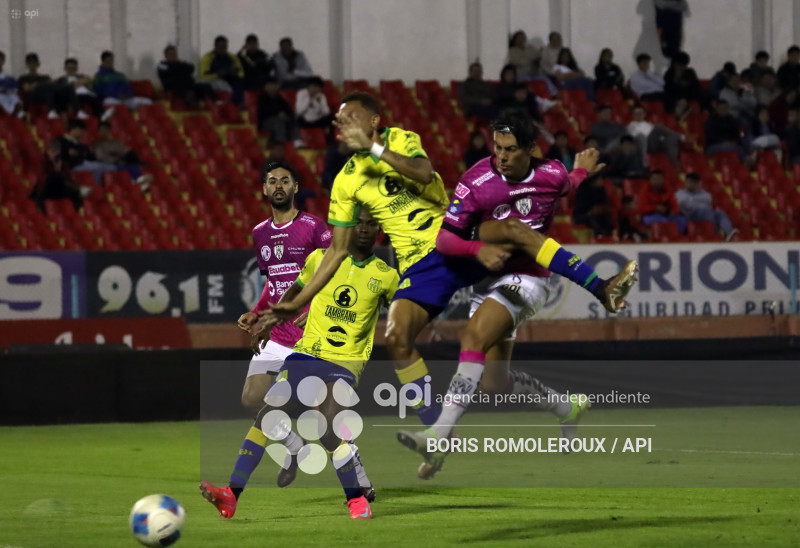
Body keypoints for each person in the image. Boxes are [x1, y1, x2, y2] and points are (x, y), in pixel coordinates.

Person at [266, 95, 639, 477]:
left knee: (512, 230)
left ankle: (601, 288)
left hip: (456, 238)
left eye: (351, 118)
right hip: (425, 266)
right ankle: (488, 423)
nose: (342, 125)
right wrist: (299, 302)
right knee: (412, 342)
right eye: (338, 120)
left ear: (375, 120)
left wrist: (375, 148)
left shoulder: (399, 140)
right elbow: (338, 249)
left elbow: (424, 173)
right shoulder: (345, 180)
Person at [395, 114, 634, 477]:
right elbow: (445, 238)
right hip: (487, 280)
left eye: (509, 150)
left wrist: (582, 172)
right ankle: (565, 407)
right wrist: (476, 251)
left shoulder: (549, 174)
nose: (501, 156)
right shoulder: (477, 179)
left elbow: (566, 184)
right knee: (494, 382)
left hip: (528, 279)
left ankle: (438, 435)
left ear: (529, 150)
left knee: (472, 335)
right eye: (497, 148)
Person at [200, 208, 396, 520]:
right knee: (266, 415)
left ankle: (355, 498)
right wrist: (271, 320)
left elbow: (406, 309)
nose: (362, 229)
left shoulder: (386, 276)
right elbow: (294, 293)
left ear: (379, 231)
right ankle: (231, 494)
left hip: (345, 361)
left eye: (370, 225)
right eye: (357, 223)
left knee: (330, 426)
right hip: (305, 353)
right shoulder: (320, 259)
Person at [233, 160, 374, 493]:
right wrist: (257, 314)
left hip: (312, 334)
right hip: (279, 331)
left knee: (323, 415)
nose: (279, 186)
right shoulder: (259, 233)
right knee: (252, 400)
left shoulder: (314, 227)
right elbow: (274, 285)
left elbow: (335, 271)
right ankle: (294, 447)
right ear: (264, 189)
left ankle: (357, 474)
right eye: (272, 181)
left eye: (285, 181)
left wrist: (319, 312)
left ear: (296, 188)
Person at [29, 138, 88, 213]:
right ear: (48, 151)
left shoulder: (61, 162)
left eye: (57, 151)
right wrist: (55, 171)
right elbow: (43, 179)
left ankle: (75, 211)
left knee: (75, 193)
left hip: (60, 188)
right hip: (45, 189)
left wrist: (60, 170)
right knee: (53, 179)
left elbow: (67, 176)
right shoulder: (43, 162)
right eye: (52, 151)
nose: (55, 154)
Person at [93, 122, 153, 189]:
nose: (104, 132)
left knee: (132, 159)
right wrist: (116, 159)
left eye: (105, 130)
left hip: (121, 162)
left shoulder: (116, 142)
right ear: (99, 132)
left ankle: (140, 182)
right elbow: (101, 158)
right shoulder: (98, 145)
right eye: (101, 130)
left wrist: (124, 157)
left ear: (109, 130)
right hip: (109, 165)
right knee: (131, 167)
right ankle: (139, 183)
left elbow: (124, 152)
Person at [675, 172, 735, 240]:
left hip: (703, 215)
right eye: (689, 181)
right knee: (705, 209)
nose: (691, 184)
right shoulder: (680, 193)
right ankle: (715, 234)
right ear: (685, 182)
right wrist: (698, 201)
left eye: (694, 182)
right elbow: (683, 203)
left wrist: (691, 200)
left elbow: (709, 199)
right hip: (689, 216)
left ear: (697, 184)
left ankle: (729, 233)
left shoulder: (702, 192)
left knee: (720, 213)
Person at [58, 119, 118, 185]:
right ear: (75, 129)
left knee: (111, 167)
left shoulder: (80, 144)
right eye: (81, 131)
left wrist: (91, 152)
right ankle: (97, 186)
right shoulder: (61, 140)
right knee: (98, 168)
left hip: (84, 163)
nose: (82, 134)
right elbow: (61, 155)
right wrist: (69, 153)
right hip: (73, 166)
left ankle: (103, 186)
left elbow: (89, 156)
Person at [198, 36, 244, 105]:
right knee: (220, 84)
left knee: (240, 83)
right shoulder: (207, 58)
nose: (223, 49)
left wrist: (234, 73)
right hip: (214, 80)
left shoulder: (232, 57)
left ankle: (238, 105)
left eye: (224, 47)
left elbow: (241, 73)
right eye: (220, 47)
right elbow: (203, 76)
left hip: (230, 79)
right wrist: (219, 74)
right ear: (215, 46)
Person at [257, 77, 303, 147]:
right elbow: (264, 111)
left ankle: (297, 141)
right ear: (265, 87)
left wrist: (290, 114)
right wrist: (278, 114)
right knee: (279, 122)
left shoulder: (279, 97)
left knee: (292, 120)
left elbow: (287, 108)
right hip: (265, 123)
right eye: (270, 86)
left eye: (274, 85)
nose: (272, 88)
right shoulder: (262, 98)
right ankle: (280, 144)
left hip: (280, 119)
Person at [639, 169, 686, 234]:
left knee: (682, 220)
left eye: (659, 179)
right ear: (650, 180)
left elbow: (674, 203)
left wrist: (674, 211)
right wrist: (656, 208)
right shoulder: (644, 191)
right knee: (663, 221)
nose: (657, 181)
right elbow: (642, 208)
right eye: (655, 179)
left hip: (667, 215)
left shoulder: (667, 189)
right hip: (650, 216)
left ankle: (678, 238)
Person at [574, 172, 614, 236]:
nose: (601, 181)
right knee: (593, 219)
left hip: (598, 214)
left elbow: (604, 204)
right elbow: (582, 207)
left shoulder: (601, 190)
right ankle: (597, 236)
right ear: (594, 181)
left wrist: (600, 209)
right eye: (599, 179)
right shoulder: (583, 190)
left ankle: (608, 237)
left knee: (606, 218)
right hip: (583, 215)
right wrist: (591, 211)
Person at [0, 51, 23, 117]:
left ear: (3, 62)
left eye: (0, 60)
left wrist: (4, 89)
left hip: (9, 94)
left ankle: (19, 113)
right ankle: (12, 112)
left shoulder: (8, 76)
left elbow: (15, 88)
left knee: (14, 97)